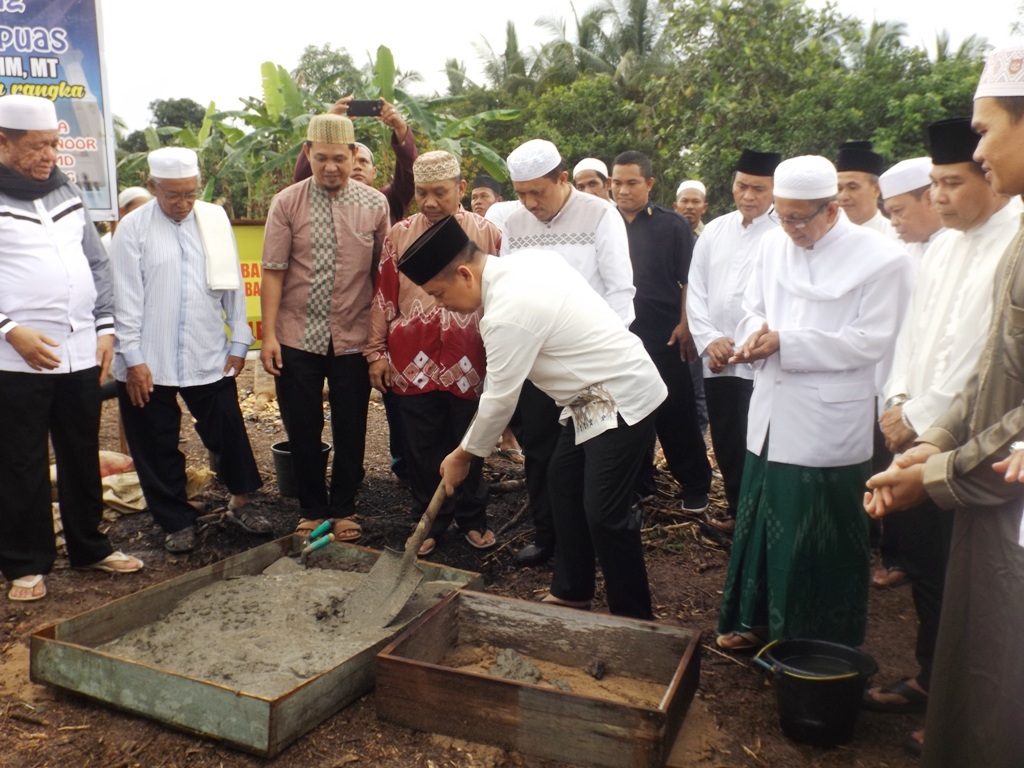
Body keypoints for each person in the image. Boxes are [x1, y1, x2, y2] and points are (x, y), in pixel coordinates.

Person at [864, 45, 1024, 766]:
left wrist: (936, 442)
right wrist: (906, 412)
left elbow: (985, 370)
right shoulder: (945, 249)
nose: (980, 150)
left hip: (982, 464)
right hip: (951, 447)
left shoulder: (1009, 239)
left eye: (987, 133)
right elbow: (929, 344)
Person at [399, 215, 666, 619]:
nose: (440, 305)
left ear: (465, 274)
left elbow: (499, 399)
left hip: (621, 395)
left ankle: (634, 617)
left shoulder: (506, 312)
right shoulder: (529, 260)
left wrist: (462, 455)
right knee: (562, 482)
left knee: (604, 514)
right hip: (587, 401)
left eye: (438, 293)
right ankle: (574, 589)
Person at [715, 155, 913, 650]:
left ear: (831, 210)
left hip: (826, 420)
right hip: (770, 410)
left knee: (815, 539)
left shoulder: (882, 257)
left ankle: (815, 645)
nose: (790, 228)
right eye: (781, 215)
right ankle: (754, 621)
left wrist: (789, 342)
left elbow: (872, 340)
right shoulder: (773, 245)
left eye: (800, 217)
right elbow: (752, 309)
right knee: (761, 524)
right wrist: (755, 335)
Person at [0, 94, 143, 601]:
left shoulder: (67, 192)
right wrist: (9, 328)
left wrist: (105, 325)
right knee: (20, 459)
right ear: (3, 142)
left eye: (54, 144)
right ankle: (25, 562)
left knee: (81, 450)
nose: (49, 156)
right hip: (16, 356)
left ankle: (90, 546)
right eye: (37, 146)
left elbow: (96, 264)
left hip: (80, 349)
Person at [111, 147, 266, 553]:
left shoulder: (213, 220)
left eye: (190, 194)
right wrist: (132, 359)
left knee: (227, 428)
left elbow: (231, 280)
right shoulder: (132, 229)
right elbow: (124, 298)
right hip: (149, 356)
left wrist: (238, 340)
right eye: (172, 195)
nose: (182, 204)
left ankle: (242, 501)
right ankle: (175, 518)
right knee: (155, 439)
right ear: (153, 187)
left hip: (206, 349)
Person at [500, 138, 634, 567]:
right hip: (540, 363)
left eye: (537, 191)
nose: (529, 202)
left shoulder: (601, 215)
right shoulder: (516, 223)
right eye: (521, 193)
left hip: (591, 364)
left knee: (590, 451)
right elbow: (508, 289)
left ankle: (592, 542)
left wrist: (605, 357)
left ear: (563, 178)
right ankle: (549, 537)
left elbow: (620, 291)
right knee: (540, 451)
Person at [261, 113, 390, 542]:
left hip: (354, 335)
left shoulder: (375, 205)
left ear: (354, 155)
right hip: (298, 335)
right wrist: (269, 336)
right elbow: (274, 272)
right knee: (302, 424)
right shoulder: (287, 203)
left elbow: (381, 277)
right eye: (321, 158)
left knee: (351, 424)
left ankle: (345, 508)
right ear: (307, 154)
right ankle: (312, 508)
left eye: (339, 158)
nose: (330, 167)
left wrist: (379, 340)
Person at [365, 151, 501, 555]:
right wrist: (376, 352)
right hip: (412, 357)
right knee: (420, 445)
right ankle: (429, 520)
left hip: (469, 354)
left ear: (460, 188)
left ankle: (474, 517)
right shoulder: (399, 234)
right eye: (422, 193)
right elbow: (384, 296)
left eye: (439, 193)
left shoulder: (487, 233)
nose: (429, 202)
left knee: (471, 438)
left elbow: (497, 293)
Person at [686, 148, 781, 532]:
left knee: (759, 438)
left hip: (758, 360)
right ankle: (739, 510)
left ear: (775, 190)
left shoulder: (782, 234)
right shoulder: (716, 229)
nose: (748, 196)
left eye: (759, 189)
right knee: (725, 438)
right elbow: (697, 289)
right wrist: (710, 340)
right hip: (718, 357)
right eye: (742, 186)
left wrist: (742, 344)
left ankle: (764, 516)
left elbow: (776, 300)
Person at [610, 150, 711, 512]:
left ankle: (696, 484)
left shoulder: (672, 225)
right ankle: (639, 483)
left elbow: (690, 281)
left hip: (664, 334)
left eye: (631, 182)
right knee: (628, 413)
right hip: (619, 337)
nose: (622, 190)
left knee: (676, 411)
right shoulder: (604, 222)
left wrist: (686, 324)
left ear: (649, 183)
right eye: (616, 182)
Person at [293, 96, 416, 226]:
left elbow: (409, 178)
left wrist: (400, 127)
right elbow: (302, 178)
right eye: (352, 162)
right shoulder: (324, 197)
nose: (357, 167)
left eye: (363, 162)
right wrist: (326, 122)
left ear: (374, 172)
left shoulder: (387, 200)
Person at [878, 157, 945, 267]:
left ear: (929, 199)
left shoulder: (962, 245)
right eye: (890, 214)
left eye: (897, 211)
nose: (893, 222)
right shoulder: (900, 254)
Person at [835, 141, 896, 238]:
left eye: (852, 187)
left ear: (876, 190)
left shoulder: (897, 236)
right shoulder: (824, 237)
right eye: (839, 188)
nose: (843, 196)